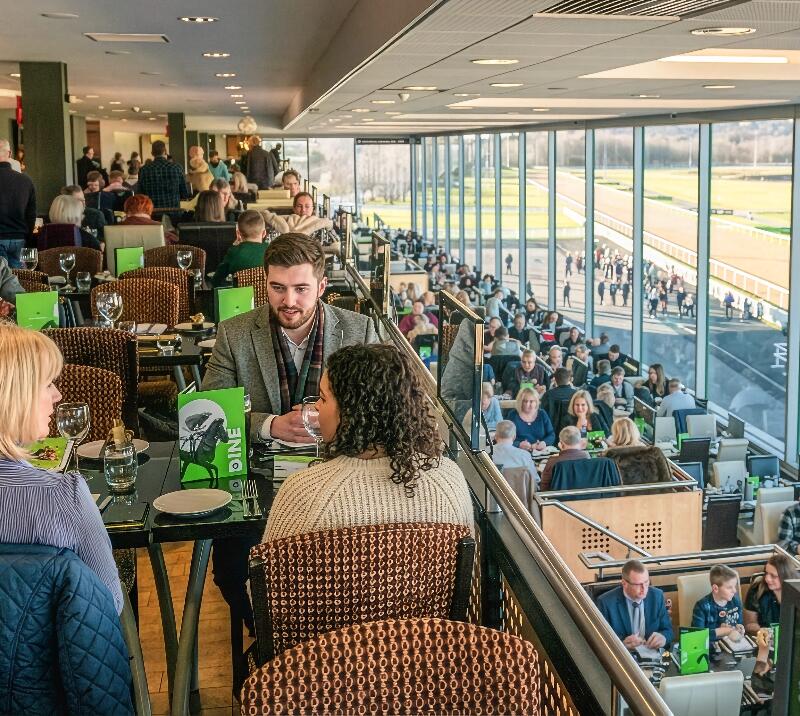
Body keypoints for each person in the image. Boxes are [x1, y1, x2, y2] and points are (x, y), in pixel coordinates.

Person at [204, 233, 381, 627]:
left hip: (340, 482)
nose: (289, 301)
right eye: (278, 288)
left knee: (343, 575)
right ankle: (270, 638)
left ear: (321, 286)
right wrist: (269, 425)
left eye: (301, 289)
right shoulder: (234, 334)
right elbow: (212, 409)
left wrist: (338, 422)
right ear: (264, 283)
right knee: (232, 572)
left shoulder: (360, 331)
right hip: (258, 479)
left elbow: (379, 413)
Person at [263, 344, 474, 541]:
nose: (317, 406)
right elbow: (466, 570)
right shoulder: (449, 479)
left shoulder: (304, 493)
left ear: (352, 412)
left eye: (323, 398)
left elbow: (266, 579)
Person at [0, 323, 123, 613]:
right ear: (15, 395)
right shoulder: (62, 495)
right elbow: (108, 603)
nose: (57, 395)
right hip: (48, 656)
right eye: (47, 384)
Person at [597, 560, 673, 649]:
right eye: (638, 584)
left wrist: (663, 637)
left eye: (646, 582)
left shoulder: (657, 596)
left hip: (652, 655)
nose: (644, 589)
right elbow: (600, 641)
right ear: (624, 583)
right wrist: (622, 645)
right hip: (623, 657)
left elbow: (668, 630)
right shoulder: (606, 603)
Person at [0, 138, 35, 268]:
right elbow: (31, 215)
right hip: (19, 239)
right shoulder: (26, 181)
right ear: (9, 154)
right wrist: (27, 238)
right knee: (21, 282)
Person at [743, 554, 797, 635]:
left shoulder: (796, 592)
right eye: (766, 573)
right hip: (764, 639)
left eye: (773, 576)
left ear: (785, 576)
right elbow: (749, 624)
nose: (767, 578)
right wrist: (763, 631)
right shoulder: (757, 589)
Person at [212, 210, 268, 287]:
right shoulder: (271, 251)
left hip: (241, 298)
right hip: (268, 297)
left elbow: (217, 279)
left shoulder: (234, 252)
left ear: (238, 234)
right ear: (264, 233)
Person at [691, 565, 744, 643]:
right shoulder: (701, 606)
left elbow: (739, 622)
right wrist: (724, 631)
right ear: (715, 588)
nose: (734, 591)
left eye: (734, 586)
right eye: (729, 587)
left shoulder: (736, 601)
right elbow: (697, 636)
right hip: (710, 648)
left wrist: (740, 628)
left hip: (732, 644)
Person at [137, 140, 191, 209]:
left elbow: (140, 195)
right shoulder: (177, 167)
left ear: (152, 153)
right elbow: (184, 194)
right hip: (174, 212)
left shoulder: (143, 170)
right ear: (165, 151)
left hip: (152, 213)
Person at [540, 426, 590, 491]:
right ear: (580, 441)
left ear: (561, 444)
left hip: (558, 499)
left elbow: (544, 488)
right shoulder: (587, 457)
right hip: (585, 498)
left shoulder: (553, 461)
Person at [261, 192, 333, 235]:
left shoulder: (320, 226)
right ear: (294, 208)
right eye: (299, 206)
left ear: (313, 209)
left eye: (307, 206)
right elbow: (264, 214)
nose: (303, 210)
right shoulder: (282, 220)